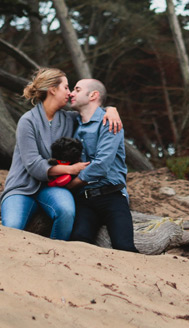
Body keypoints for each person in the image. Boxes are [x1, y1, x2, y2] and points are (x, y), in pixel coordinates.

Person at [0, 68, 120, 240]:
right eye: (66, 87)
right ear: (52, 90)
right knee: (11, 228)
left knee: (66, 211)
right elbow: (34, 165)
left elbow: (92, 109)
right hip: (22, 188)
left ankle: (56, 256)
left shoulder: (71, 118)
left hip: (53, 188)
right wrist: (71, 170)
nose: (70, 93)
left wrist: (111, 109)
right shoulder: (27, 121)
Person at [68, 77, 137, 253]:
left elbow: (102, 165)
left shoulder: (110, 122)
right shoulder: (72, 123)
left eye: (77, 89)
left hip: (111, 196)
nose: (71, 93)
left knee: (124, 247)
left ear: (93, 95)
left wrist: (72, 184)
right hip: (84, 199)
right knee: (78, 242)